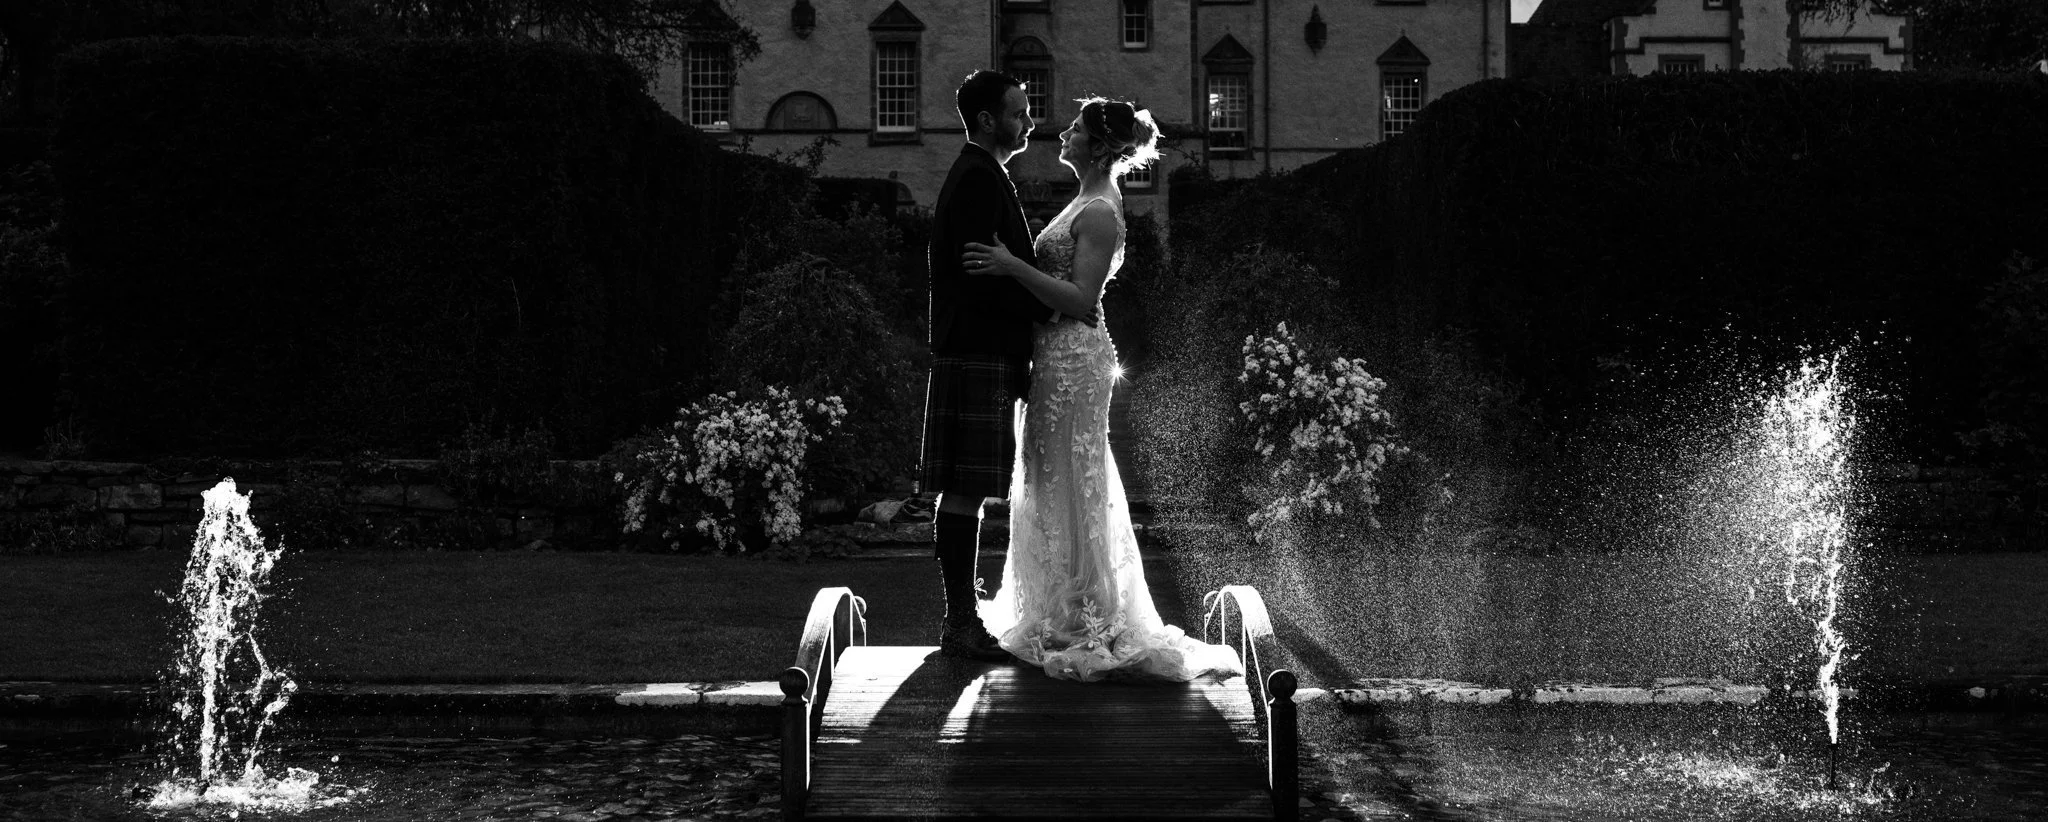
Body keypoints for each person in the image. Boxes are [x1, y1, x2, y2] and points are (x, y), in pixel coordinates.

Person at [961, 97, 1243, 683]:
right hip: (1054, 357)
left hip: (1075, 362)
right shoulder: (1085, 199)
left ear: (1097, 145)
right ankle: (1059, 607)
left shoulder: (1100, 211)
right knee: (1048, 475)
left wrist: (1011, 265)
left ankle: (1087, 617)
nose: (1063, 132)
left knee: (1071, 475)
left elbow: (1081, 299)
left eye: (1075, 128)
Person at [922, 70, 1096, 662]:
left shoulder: (985, 172)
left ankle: (960, 618)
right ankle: (959, 622)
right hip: (976, 348)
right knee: (965, 490)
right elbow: (983, 276)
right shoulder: (977, 176)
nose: (1028, 122)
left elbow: (997, 269)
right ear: (987, 119)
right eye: (1018, 113)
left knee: (966, 489)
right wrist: (1054, 310)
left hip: (980, 349)